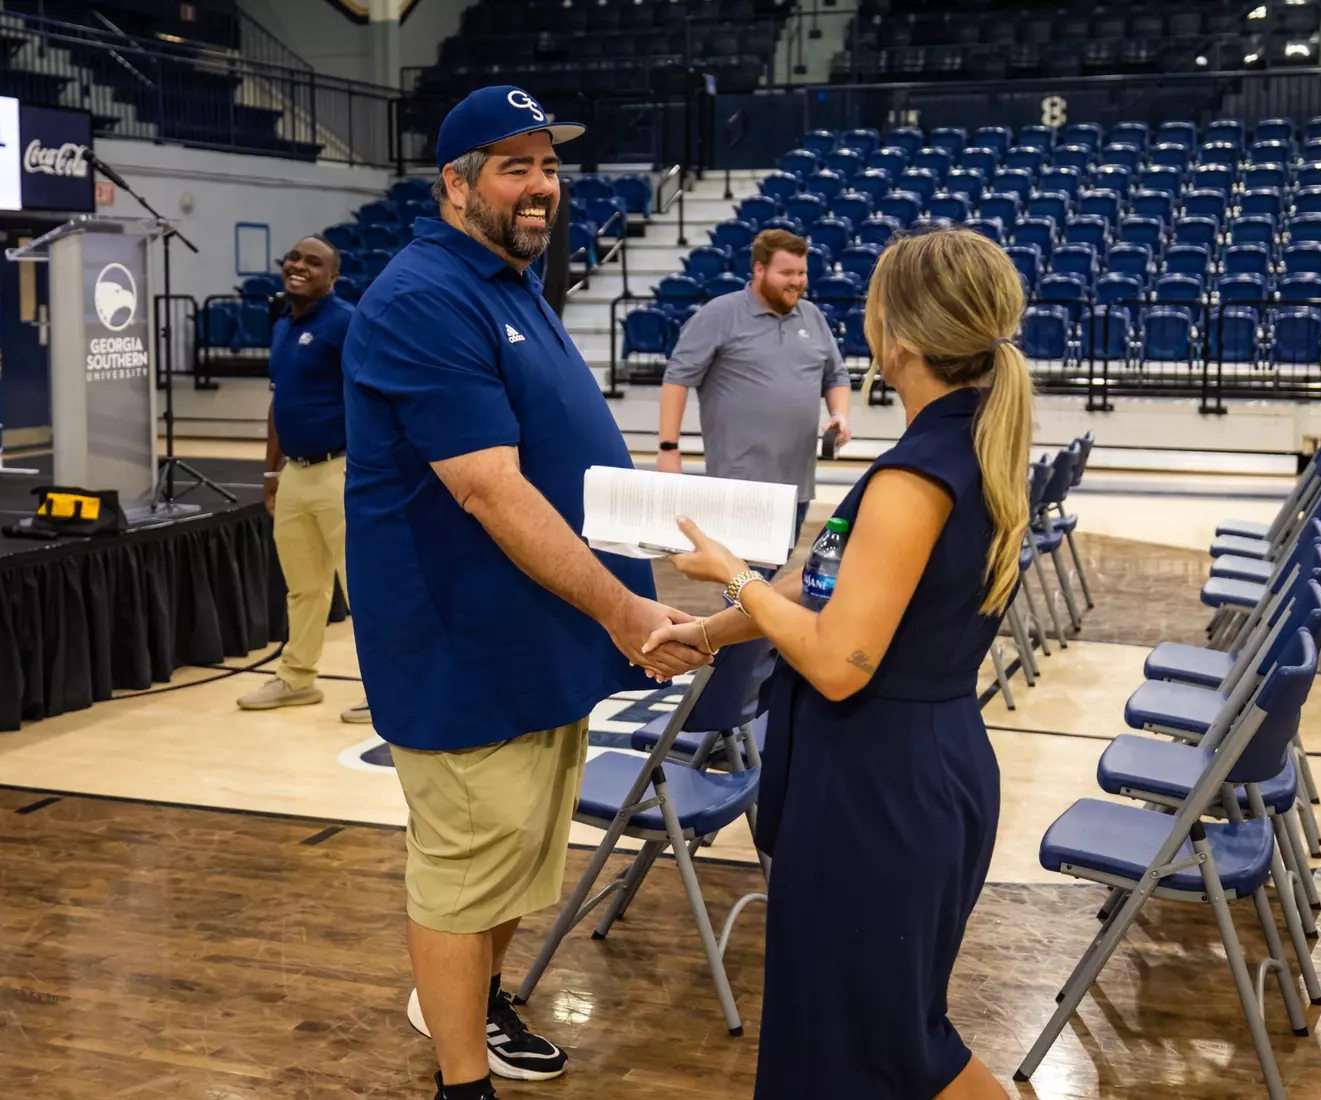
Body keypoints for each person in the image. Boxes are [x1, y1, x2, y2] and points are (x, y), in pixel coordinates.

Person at [340, 86, 711, 1100]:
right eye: (515, 164)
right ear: (454, 184)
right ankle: (462, 1079)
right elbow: (489, 489)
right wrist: (626, 609)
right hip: (465, 648)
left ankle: (475, 1000)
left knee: (509, 864)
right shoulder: (425, 297)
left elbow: (561, 454)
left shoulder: (509, 285)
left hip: (535, 640)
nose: (543, 184)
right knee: (464, 873)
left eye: (549, 164)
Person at [646, 228, 1029, 1100]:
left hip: (882, 785)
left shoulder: (913, 476)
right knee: (884, 1042)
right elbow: (814, 590)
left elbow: (838, 660)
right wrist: (704, 634)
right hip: (913, 768)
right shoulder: (967, 445)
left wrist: (729, 572)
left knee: (898, 1051)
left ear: (894, 335)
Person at [238, 236, 368, 723]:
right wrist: (271, 472)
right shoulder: (282, 323)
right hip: (295, 473)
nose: (299, 266)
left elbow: (369, 399)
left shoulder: (346, 322)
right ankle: (296, 679)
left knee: (362, 589)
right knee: (302, 587)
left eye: (313, 263)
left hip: (341, 470)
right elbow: (280, 403)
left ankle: (387, 690)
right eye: (294, 258)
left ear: (332, 277)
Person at [657, 228, 852, 544]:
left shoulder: (813, 317)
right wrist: (668, 449)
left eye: (802, 273)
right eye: (786, 272)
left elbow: (836, 376)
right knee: (745, 577)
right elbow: (677, 379)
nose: (797, 281)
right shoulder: (720, 314)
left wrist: (840, 414)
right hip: (739, 483)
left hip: (797, 482)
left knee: (767, 575)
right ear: (759, 269)